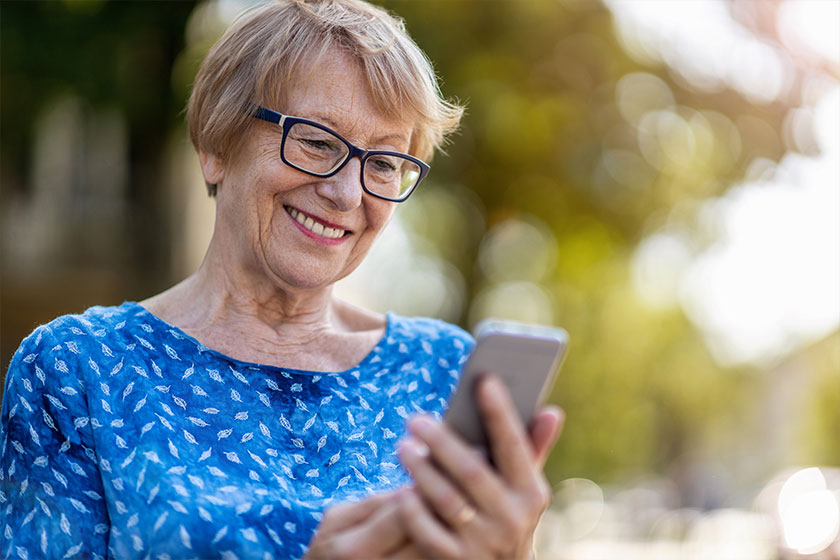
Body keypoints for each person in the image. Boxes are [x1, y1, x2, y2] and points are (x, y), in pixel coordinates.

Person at [0, 0, 563, 558]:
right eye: (318, 142)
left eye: (385, 163)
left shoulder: (445, 372)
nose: (347, 194)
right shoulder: (77, 369)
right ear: (217, 146)